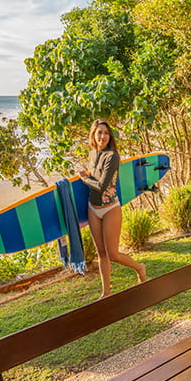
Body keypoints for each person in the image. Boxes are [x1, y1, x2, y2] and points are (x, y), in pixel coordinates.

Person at [80, 119, 147, 298]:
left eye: (106, 133)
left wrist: (84, 178)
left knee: (113, 254)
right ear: (93, 134)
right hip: (93, 208)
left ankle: (139, 267)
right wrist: (88, 176)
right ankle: (106, 293)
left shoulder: (112, 156)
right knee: (101, 253)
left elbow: (101, 185)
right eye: (99, 132)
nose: (103, 136)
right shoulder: (93, 153)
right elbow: (95, 178)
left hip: (110, 208)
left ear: (110, 136)